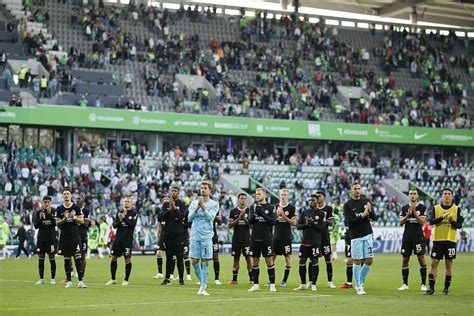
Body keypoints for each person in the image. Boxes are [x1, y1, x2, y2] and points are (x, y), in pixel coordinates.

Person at [426, 188, 463, 295]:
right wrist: (442, 217)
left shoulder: (457, 209)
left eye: (449, 194)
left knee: (448, 264)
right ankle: (431, 289)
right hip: (438, 240)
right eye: (445, 194)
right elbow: (431, 221)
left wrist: (452, 221)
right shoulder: (436, 208)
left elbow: (459, 226)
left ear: (452, 196)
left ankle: (446, 289)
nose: (447, 196)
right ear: (442, 196)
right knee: (434, 263)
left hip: (450, 240)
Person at [343, 182, 376, 295]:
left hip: (367, 234)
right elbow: (349, 223)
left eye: (359, 189)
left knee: (369, 260)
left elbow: (374, 218)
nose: (357, 191)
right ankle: (358, 286)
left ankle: (360, 281)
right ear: (351, 190)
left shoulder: (366, 201)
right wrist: (362, 215)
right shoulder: (347, 205)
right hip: (355, 236)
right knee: (357, 261)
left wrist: (370, 211)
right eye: (355, 189)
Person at [188, 181, 219, 296]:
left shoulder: (214, 204)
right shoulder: (193, 203)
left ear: (210, 190)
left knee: (205, 262)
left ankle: (202, 287)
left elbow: (210, 218)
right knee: (194, 261)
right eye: (201, 188)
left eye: (205, 188)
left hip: (206, 237)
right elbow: (190, 218)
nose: (203, 190)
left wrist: (203, 207)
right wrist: (197, 208)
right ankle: (203, 283)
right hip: (195, 236)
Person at [55, 187, 86, 288]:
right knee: (67, 259)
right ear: (62, 196)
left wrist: (74, 217)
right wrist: (64, 218)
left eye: (68, 193)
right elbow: (57, 223)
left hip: (75, 237)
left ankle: (80, 281)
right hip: (64, 237)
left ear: (71, 195)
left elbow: (82, 221)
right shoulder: (59, 209)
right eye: (64, 194)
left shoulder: (76, 208)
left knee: (78, 258)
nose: (66, 195)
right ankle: (69, 281)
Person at [248, 188, 277, 292]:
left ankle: (272, 285)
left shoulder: (271, 207)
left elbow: (273, 222)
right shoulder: (253, 207)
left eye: (259, 194)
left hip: (266, 239)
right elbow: (249, 222)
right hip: (255, 238)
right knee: (255, 262)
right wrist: (256, 213)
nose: (257, 196)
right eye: (256, 194)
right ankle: (256, 285)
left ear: (264, 195)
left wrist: (262, 214)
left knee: (269, 261)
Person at [398, 189, 428, 291]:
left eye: (414, 194)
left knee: (421, 258)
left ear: (417, 195)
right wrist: (408, 214)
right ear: (409, 195)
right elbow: (401, 223)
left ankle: (423, 284)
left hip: (418, 237)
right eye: (411, 194)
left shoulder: (422, 207)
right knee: (405, 259)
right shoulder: (404, 207)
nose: (412, 195)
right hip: (407, 237)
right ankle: (405, 284)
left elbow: (422, 222)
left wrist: (414, 213)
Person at [105, 196, 138, 286]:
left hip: (127, 240)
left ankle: (126, 280)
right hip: (118, 239)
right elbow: (115, 225)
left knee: (127, 259)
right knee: (113, 258)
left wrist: (123, 218)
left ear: (131, 203)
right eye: (125, 201)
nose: (126, 203)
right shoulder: (119, 213)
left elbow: (132, 225)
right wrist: (120, 219)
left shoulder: (134, 213)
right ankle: (113, 279)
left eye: (128, 201)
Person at [294, 194, 325, 291]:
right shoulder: (304, 212)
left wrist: (312, 223)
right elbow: (298, 226)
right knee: (302, 261)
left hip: (315, 242)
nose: (311, 201)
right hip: (304, 242)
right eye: (310, 200)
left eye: (313, 200)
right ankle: (303, 284)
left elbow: (322, 228)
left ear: (317, 201)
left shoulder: (321, 214)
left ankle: (313, 284)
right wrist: (307, 224)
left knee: (315, 261)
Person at [160, 186, 188, 286]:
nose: (173, 192)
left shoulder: (183, 204)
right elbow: (161, 217)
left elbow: (182, 217)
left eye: (175, 191)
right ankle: (167, 278)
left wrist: (175, 209)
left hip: (179, 235)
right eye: (172, 191)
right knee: (168, 258)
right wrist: (169, 209)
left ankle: (181, 278)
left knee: (180, 257)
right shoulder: (165, 204)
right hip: (168, 235)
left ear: (179, 192)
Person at [272, 188, 296, 287]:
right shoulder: (275, 207)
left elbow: (294, 222)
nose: (283, 196)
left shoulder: (291, 208)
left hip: (286, 237)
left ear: (288, 196)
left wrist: (283, 216)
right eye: (282, 194)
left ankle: (284, 281)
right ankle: (271, 280)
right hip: (276, 237)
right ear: (279, 195)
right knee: (271, 258)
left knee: (288, 257)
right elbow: (271, 221)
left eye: (285, 195)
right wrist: (277, 216)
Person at [228, 193, 252, 285]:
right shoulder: (233, 211)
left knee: (248, 258)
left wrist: (245, 219)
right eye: (241, 198)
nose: (243, 200)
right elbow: (230, 225)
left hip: (246, 239)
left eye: (245, 198)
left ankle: (251, 279)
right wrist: (239, 218)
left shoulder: (250, 211)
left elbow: (251, 225)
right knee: (236, 258)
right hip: (236, 239)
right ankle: (234, 279)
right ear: (238, 200)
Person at [316, 191, 336, 288]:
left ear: (323, 197)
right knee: (313, 259)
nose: (317, 198)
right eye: (316, 196)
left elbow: (331, 223)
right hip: (314, 237)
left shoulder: (328, 209)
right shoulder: (312, 209)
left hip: (324, 237)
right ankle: (311, 282)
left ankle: (330, 282)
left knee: (328, 259)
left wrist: (322, 218)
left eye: (319, 196)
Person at [34, 195, 57, 284]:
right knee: (41, 259)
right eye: (45, 202)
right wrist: (40, 218)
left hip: (51, 239)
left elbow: (55, 223)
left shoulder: (54, 211)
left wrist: (50, 214)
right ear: (42, 203)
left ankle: (53, 279)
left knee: (52, 259)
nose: (46, 204)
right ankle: (41, 279)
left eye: (48, 202)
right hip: (41, 239)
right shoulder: (39, 212)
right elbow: (36, 226)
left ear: (50, 203)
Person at [76, 196, 90, 276]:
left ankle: (82, 272)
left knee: (83, 255)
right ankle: (75, 271)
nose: (77, 201)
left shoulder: (86, 210)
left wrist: (76, 219)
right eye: (77, 199)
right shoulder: (74, 209)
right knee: (75, 255)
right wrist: (81, 220)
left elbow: (86, 224)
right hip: (74, 234)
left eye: (79, 199)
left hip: (83, 234)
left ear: (83, 201)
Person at [338, 223, 354, 289]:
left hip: (354, 238)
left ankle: (360, 283)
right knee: (349, 261)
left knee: (351, 260)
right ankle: (349, 283)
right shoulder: (347, 215)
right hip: (349, 239)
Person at [212, 210, 223, 285]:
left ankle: (216, 278)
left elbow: (220, 222)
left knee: (215, 256)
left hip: (213, 237)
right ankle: (202, 279)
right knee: (202, 257)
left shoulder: (214, 207)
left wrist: (213, 216)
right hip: (203, 236)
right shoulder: (199, 206)